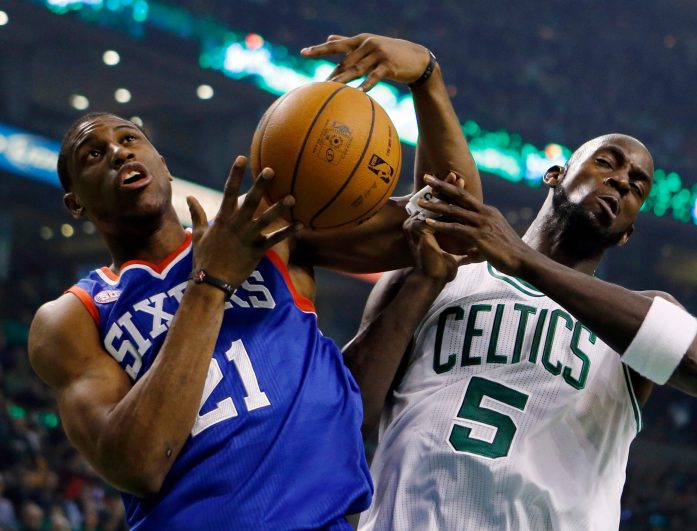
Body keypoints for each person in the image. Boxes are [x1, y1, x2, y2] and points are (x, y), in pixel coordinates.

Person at [27, 34, 480, 530]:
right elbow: (138, 464)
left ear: (164, 165)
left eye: (129, 139)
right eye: (93, 154)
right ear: (76, 205)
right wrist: (210, 282)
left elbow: (451, 227)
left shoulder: (270, 231)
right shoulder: (75, 315)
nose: (117, 152)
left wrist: (426, 81)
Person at [345, 133, 697, 530]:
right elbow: (345, 421)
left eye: (638, 185)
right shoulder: (439, 272)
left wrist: (523, 260)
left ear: (626, 234)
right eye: (607, 162)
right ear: (555, 175)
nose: (623, 181)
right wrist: (422, 284)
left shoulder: (637, 318)